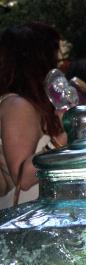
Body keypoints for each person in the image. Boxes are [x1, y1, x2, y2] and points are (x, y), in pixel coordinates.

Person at [0, 23, 66, 208]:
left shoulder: (28, 104)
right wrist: (65, 136)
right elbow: (23, 178)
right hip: (26, 217)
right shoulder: (18, 106)